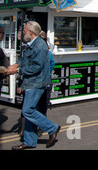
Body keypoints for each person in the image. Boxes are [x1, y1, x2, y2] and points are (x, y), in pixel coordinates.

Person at [6, 21, 60, 150]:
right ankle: (29, 141)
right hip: (30, 82)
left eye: (24, 30)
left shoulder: (40, 46)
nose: (23, 32)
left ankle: (52, 128)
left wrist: (18, 71)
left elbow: (37, 66)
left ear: (31, 32)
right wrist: (16, 64)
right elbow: (25, 59)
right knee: (30, 113)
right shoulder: (31, 44)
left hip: (37, 83)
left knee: (27, 111)